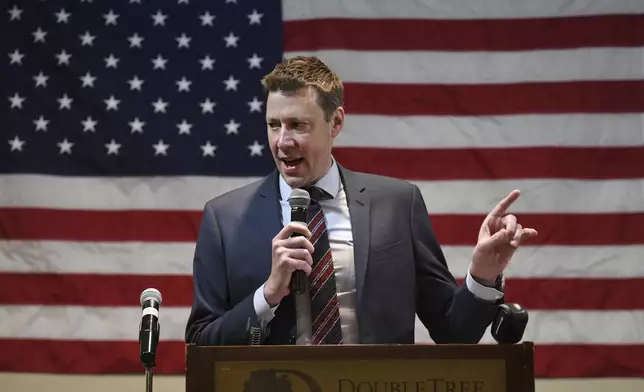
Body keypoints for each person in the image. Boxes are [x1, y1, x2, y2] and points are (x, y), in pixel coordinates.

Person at [184, 56, 538, 346]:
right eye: (273, 125)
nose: (282, 141)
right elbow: (201, 343)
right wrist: (268, 294)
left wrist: (483, 276)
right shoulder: (225, 218)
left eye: (298, 125)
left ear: (335, 122)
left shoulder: (399, 204)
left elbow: (452, 332)